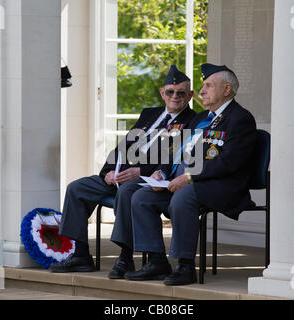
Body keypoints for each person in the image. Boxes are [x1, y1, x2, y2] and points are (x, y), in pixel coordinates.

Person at [49, 65, 196, 273]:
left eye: (181, 93)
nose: (175, 97)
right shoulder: (149, 114)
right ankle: (81, 255)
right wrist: (108, 172)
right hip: (118, 175)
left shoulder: (192, 121)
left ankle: (125, 257)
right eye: (170, 92)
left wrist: (141, 172)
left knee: (128, 192)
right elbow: (123, 147)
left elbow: (173, 157)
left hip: (147, 179)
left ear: (189, 95)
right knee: (77, 188)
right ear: (162, 93)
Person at [123, 63, 257, 285]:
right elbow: (175, 151)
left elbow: (228, 162)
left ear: (226, 89)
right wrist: (160, 173)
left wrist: (190, 177)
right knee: (141, 197)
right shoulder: (201, 117)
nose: (202, 91)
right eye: (203, 86)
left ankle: (185, 266)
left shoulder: (240, 118)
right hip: (185, 182)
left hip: (219, 185)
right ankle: (157, 261)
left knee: (184, 197)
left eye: (207, 86)